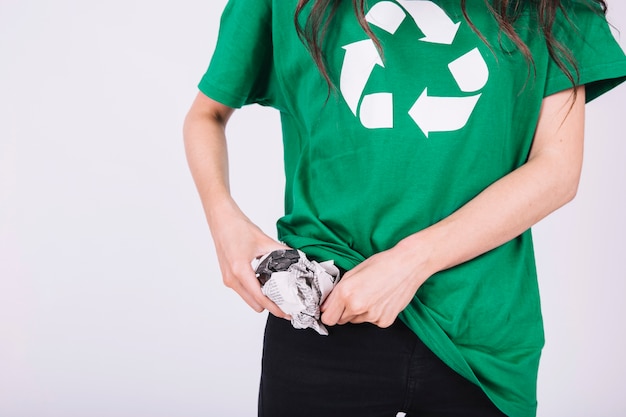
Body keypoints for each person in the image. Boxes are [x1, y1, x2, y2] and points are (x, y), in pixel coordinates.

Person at [183, 0, 626, 416]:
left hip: (478, 335)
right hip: (326, 309)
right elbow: (207, 114)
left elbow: (557, 169)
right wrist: (227, 227)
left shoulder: (549, 6)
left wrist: (411, 263)